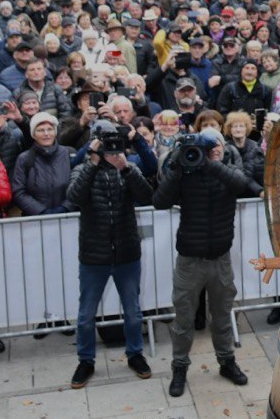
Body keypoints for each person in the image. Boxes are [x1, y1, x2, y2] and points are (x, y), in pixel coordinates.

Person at [153, 127, 261, 398]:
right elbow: (160, 201)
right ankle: (179, 367)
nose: (214, 150)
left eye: (217, 146)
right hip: (190, 261)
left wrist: (212, 165)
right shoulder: (186, 174)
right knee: (183, 320)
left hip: (220, 260)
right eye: (207, 147)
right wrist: (179, 166)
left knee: (223, 316)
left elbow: (242, 185)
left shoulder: (228, 170)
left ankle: (226, 362)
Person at [66, 120, 155, 388]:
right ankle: (86, 360)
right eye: (105, 143)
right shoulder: (83, 168)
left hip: (127, 252)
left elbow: (147, 196)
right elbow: (75, 197)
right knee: (85, 314)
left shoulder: (129, 167)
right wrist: (91, 162)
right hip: (94, 255)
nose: (110, 148)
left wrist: (126, 167)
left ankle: (135, 354)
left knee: (133, 311)